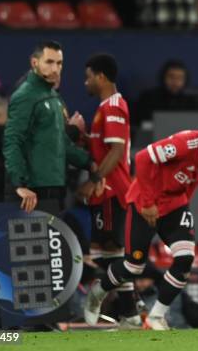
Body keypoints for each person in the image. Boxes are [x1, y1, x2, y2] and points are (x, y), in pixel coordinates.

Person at [84, 110, 198, 330]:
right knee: (133, 266)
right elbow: (143, 158)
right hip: (144, 204)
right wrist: (147, 203)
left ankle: (156, 317)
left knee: (184, 259)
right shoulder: (185, 143)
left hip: (174, 207)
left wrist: (184, 206)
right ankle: (98, 292)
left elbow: (193, 180)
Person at [78, 53, 140, 328]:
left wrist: (95, 179)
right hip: (107, 191)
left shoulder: (113, 106)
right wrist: (82, 134)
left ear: (101, 77)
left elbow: (116, 151)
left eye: (88, 76)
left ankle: (97, 293)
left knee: (113, 251)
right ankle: (131, 314)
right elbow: (103, 147)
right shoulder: (106, 106)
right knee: (109, 253)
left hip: (113, 189)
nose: (85, 82)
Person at [3, 40, 94, 213]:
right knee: (28, 240)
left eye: (59, 63)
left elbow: (61, 143)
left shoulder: (54, 97)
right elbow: (12, 140)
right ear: (34, 63)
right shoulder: (25, 95)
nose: (55, 69)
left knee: (54, 238)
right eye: (49, 62)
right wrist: (19, 185)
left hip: (54, 188)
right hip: (30, 191)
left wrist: (89, 163)